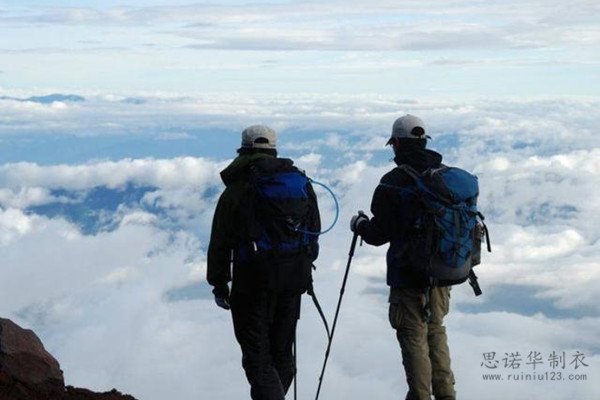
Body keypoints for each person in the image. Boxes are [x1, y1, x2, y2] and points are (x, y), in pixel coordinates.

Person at [207, 125, 320, 400]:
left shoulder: (237, 189)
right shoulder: (300, 184)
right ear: (274, 150)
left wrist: (219, 284)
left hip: (252, 283)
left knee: (258, 359)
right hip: (293, 283)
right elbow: (314, 231)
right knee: (282, 354)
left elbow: (220, 242)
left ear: (243, 149)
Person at [350, 115, 456, 400]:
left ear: (396, 143)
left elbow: (378, 234)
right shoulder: (445, 177)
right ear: (424, 142)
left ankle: (420, 396)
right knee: (436, 329)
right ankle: (447, 394)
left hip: (408, 273)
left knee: (413, 336)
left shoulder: (393, 182)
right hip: (443, 272)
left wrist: (360, 225)